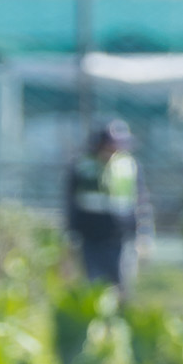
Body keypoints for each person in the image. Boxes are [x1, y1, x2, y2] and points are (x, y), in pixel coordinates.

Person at [66, 121, 142, 287]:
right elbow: (71, 202)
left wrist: (142, 234)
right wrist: (70, 234)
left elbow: (139, 201)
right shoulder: (82, 165)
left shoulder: (128, 165)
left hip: (120, 234)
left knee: (121, 281)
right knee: (93, 281)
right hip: (90, 234)